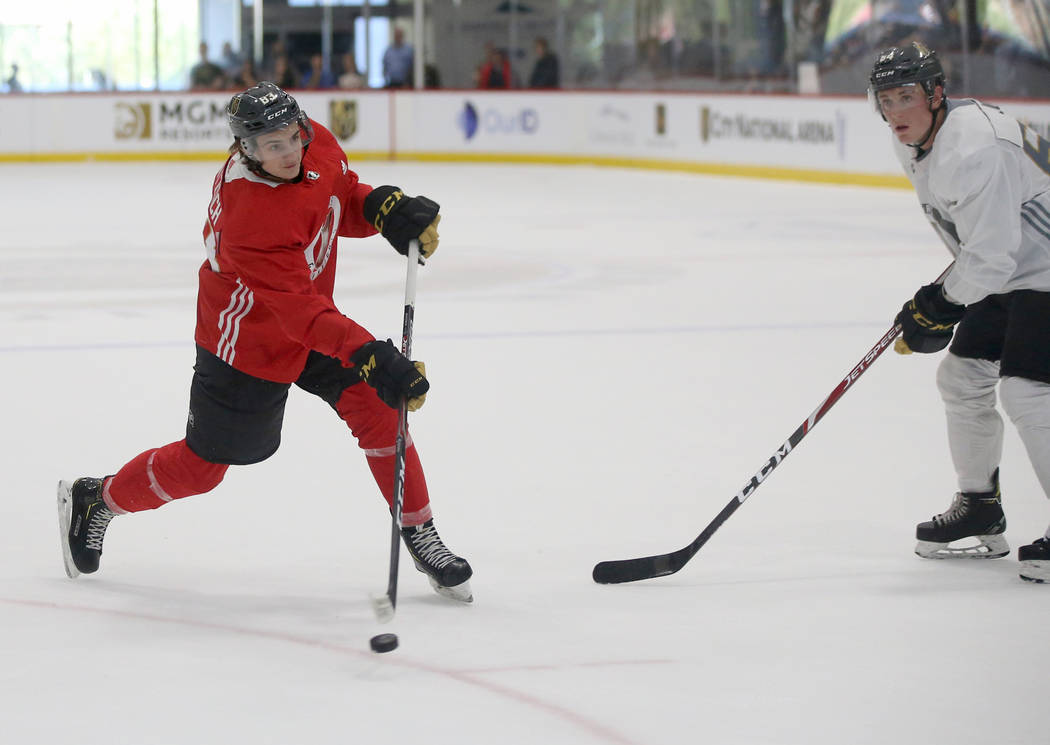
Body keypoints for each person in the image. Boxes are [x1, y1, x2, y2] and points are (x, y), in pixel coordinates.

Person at [57, 81, 473, 604]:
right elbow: (298, 312)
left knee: (380, 408)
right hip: (247, 342)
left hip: (314, 319)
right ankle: (99, 499)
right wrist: (370, 354)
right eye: (269, 146)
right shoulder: (250, 214)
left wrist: (381, 209)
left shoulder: (313, 142)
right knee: (202, 468)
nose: (287, 152)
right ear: (244, 150)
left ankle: (421, 533)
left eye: (291, 137)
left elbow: (335, 198)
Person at [869, 41, 1050, 583]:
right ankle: (980, 506)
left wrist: (944, 304)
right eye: (885, 99)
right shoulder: (919, 142)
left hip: (1039, 267)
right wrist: (937, 303)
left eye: (906, 96)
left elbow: (991, 256)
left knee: (1028, 388)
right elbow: (983, 244)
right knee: (963, 375)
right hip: (1019, 264)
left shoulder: (976, 148)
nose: (895, 112)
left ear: (936, 93)